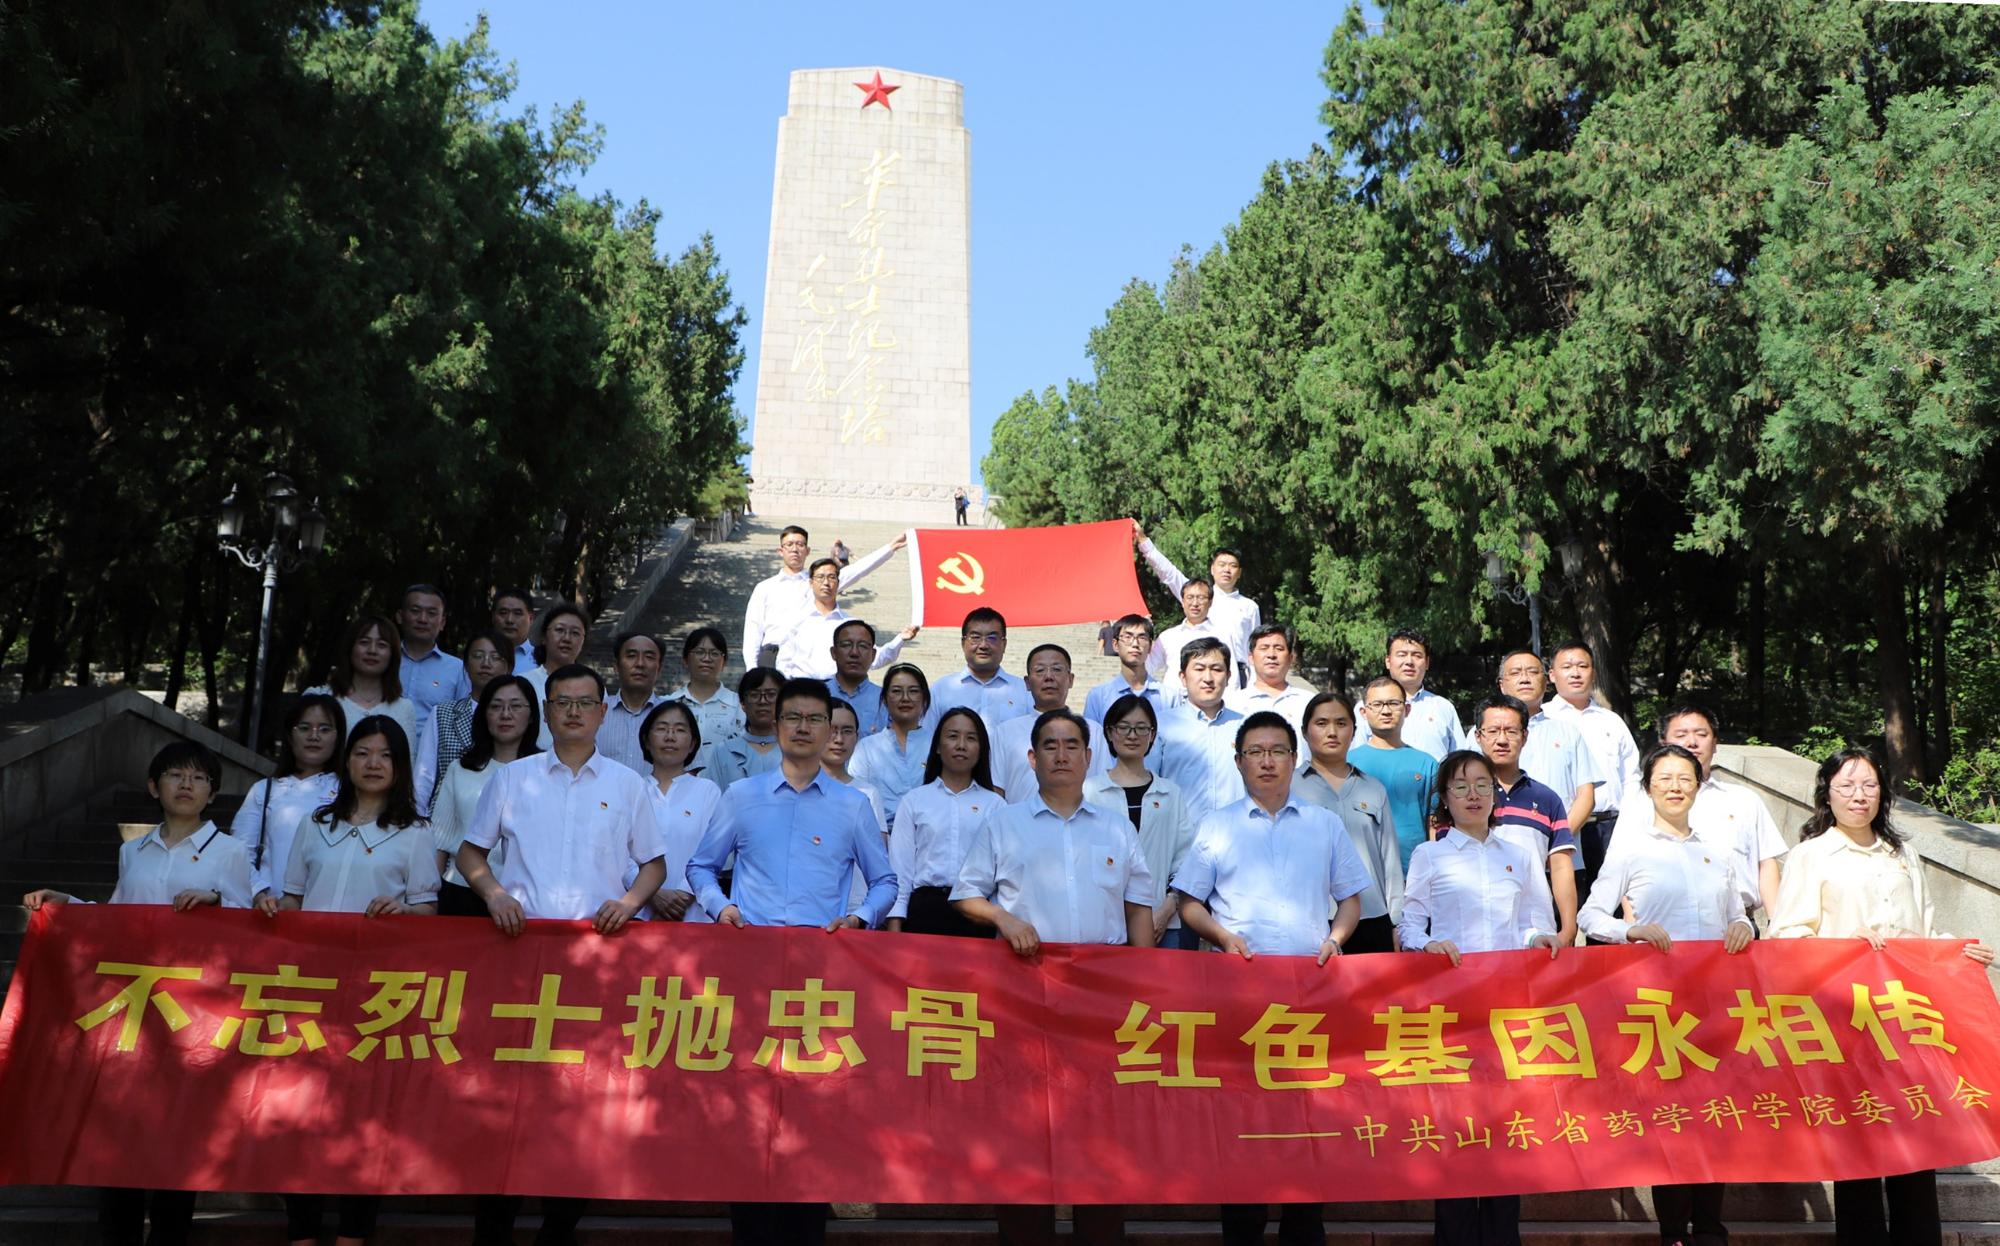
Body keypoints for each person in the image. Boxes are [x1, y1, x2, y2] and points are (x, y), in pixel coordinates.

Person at [457, 663, 666, 1246]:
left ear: (603, 712)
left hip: (597, 962)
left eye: (585, 702)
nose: (574, 712)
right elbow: (470, 853)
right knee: (509, 1099)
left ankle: (556, 1230)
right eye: (562, 702)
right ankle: (492, 1232)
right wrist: (494, 893)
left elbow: (653, 865)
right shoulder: (512, 778)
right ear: (547, 712)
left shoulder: (627, 784)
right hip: (520, 958)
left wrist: (629, 903)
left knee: (582, 1097)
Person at [684, 678, 896, 1246]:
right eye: (793, 717)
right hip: (751, 974)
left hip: (818, 982)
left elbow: (885, 881)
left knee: (812, 1113)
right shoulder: (741, 796)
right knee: (749, 1108)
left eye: (814, 719)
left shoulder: (853, 806)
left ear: (831, 731)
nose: (803, 727)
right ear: (775, 726)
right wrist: (721, 907)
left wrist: (860, 919)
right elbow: (701, 866)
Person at [23, 741, 253, 1246]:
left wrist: (216, 901)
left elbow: (254, 925)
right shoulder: (133, 850)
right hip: (137, 1013)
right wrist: (68, 904)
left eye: (198, 777)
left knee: (177, 1137)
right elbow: (118, 921)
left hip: (196, 1016)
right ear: (154, 786)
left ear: (213, 792)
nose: (186, 785)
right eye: (175, 775)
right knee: (120, 1133)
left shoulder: (232, 852)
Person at [1769, 746, 1996, 1246]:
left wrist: (1959, 950)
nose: (1859, 795)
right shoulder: (1811, 855)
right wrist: (1842, 947)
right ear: (1827, 794)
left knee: (1917, 1140)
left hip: (1906, 1020)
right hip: (1847, 1023)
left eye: (1869, 785)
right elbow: (1785, 936)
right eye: (1847, 786)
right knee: (1860, 1149)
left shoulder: (1902, 854)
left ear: (1883, 793)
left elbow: (1924, 930)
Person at [1172, 711, 1373, 1246]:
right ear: (1239, 761)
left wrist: (1335, 939)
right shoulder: (1218, 825)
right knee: (1241, 1117)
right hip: (1240, 994)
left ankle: (1303, 1230)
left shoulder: (1324, 824)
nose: (1266, 762)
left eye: (1277, 751)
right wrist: (1221, 936)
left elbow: (1350, 899)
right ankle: (1242, 1231)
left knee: (1309, 1115)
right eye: (1256, 752)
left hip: (1310, 994)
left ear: (1293, 758)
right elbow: (1190, 902)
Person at [951, 708, 1150, 1246]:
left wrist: (1145, 983)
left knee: (1101, 1133)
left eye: (1071, 745)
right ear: (1032, 757)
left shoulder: (1116, 826)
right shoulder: (1004, 823)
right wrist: (1003, 918)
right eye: (1050, 745)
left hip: (1101, 1002)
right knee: (1023, 1131)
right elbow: (965, 894)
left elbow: (1138, 908)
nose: (1062, 755)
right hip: (1023, 997)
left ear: (1089, 757)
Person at [271, 715, 438, 1246]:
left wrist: (403, 912)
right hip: (312, 987)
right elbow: (293, 898)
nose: (373, 763)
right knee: (301, 1110)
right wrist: (272, 909)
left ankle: (353, 1233)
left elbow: (428, 912)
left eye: (385, 755)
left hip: (376, 996)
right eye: (363, 752)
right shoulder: (315, 824)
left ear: (400, 767)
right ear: (346, 761)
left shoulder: (416, 833)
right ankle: (302, 1230)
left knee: (366, 1116)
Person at [1579, 743, 1753, 1246]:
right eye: (1665, 778)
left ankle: (1711, 1229)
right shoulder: (1631, 848)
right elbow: (1591, 915)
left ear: (1698, 786)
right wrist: (1628, 931)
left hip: (1715, 1005)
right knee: (1672, 1121)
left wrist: (1743, 927)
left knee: (1715, 1118)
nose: (1675, 787)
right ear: (1648, 787)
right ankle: (1674, 1231)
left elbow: (1737, 914)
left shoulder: (1719, 851)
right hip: (1658, 1008)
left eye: (1685, 778)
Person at [1398, 749, 1563, 1246]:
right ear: (1445, 798)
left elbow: (1535, 921)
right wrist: (1426, 944)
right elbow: (1409, 924)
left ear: (1496, 794)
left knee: (1505, 1129)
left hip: (1508, 1013)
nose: (1472, 795)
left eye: (1482, 785)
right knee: (1454, 1129)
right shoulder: (1430, 855)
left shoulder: (1520, 852)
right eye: (1460, 786)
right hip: (1451, 1012)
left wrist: (1541, 939)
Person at [1610, 704, 1787, 923]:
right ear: (1663, 743)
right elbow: (1621, 865)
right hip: (1661, 926)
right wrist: (1634, 925)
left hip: (1738, 927)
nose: (1692, 742)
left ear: (1715, 743)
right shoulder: (1640, 800)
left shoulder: (1744, 800)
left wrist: (1776, 925)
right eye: (1681, 735)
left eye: (1701, 734)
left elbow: (1766, 864)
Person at [1293, 690, 1404, 954]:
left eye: (1341, 723)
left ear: (1353, 731)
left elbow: (1389, 861)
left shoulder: (1373, 788)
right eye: (1321, 723)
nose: (1332, 732)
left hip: (1372, 916)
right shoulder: (1288, 789)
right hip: (1311, 917)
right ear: (1305, 732)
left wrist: (1397, 921)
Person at [1085, 693, 1193, 949]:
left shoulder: (1170, 793)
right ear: (1109, 732)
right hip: (1104, 924)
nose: (1132, 735)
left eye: (1141, 728)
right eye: (1123, 727)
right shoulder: (1089, 792)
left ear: (1152, 735)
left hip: (1162, 922)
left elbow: (1185, 857)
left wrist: (1168, 907)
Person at [1539, 642, 1640, 909]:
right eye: (1567, 667)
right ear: (1552, 675)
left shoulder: (1611, 721)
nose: (1575, 673)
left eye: (1583, 666)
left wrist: (1628, 823)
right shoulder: (1542, 719)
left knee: (1612, 910)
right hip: (1563, 828)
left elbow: (1631, 776)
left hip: (1609, 828)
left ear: (1593, 673)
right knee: (1565, 909)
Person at [429, 676, 540, 917]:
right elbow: (439, 843)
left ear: (532, 715)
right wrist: (429, 899)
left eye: (516, 706)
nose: (505, 714)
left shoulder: (545, 772)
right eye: (496, 706)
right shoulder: (460, 769)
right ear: (483, 714)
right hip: (461, 891)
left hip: (525, 897)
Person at [1473, 695, 1579, 946]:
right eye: (1493, 731)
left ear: (1525, 736)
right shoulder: (1464, 797)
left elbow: (1561, 866)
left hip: (1537, 927)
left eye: (1511, 731)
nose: (1502, 740)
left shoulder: (1546, 798)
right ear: (1478, 736)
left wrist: (1568, 928)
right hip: (1476, 928)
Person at [885, 706, 1000, 936]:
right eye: (952, 736)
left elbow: (1001, 876)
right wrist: (895, 924)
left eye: (971, 738)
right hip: (925, 913)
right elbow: (901, 871)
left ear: (981, 749)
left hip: (978, 915)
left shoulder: (996, 805)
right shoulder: (914, 801)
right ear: (937, 746)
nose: (961, 745)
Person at [233, 693, 345, 907]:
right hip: (271, 909)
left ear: (338, 737)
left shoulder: (348, 792)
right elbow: (240, 852)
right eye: (304, 728)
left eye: (324, 729)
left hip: (329, 910)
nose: (314, 736)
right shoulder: (264, 790)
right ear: (290, 735)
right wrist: (259, 894)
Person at [741, 525, 901, 669]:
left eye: (800, 544)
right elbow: (753, 630)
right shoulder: (765, 588)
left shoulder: (817, 582)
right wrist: (751, 669)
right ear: (781, 551)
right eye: (789, 544)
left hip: (805, 660)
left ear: (807, 551)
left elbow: (857, 570)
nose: (795, 549)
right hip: (771, 657)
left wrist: (891, 547)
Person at [1496, 648, 1604, 836]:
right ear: (1502, 685)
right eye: (1515, 673)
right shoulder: (1482, 733)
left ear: (1546, 682)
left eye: (1532, 672)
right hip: (1500, 846)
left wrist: (1559, 839)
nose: (1525, 679)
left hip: (1561, 847)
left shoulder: (1568, 732)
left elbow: (1586, 797)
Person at [1135, 526, 1261, 686]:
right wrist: (1143, 541)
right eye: (1222, 564)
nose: (1227, 570)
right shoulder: (1198, 594)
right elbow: (1169, 573)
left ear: (1239, 572)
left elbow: (1254, 648)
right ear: (1212, 569)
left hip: (1237, 675)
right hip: (1198, 670)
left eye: (1232, 565)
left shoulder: (1250, 607)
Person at [989, 644, 1112, 804]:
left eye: (1057, 669)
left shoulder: (1093, 731)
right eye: (1040, 670)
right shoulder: (1005, 732)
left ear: (1070, 679)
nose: (1049, 677)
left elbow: (1102, 788)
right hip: (1019, 819)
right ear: (1027, 682)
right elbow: (997, 791)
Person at [636, 699, 721, 925]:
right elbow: (621, 854)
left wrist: (682, 895)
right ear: (646, 739)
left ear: (693, 744)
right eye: (661, 728)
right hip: (639, 913)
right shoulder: (632, 789)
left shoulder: (707, 791)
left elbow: (712, 851)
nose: (670, 737)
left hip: (693, 913)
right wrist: (652, 893)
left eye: (680, 730)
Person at [412, 630, 514, 815]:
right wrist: (418, 821)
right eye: (478, 656)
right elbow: (424, 777)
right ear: (465, 665)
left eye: (495, 657)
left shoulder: (519, 716)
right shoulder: (442, 714)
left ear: (508, 667)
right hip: (446, 819)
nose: (486, 663)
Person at [1349, 675, 1441, 872]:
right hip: (1360, 873)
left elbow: (1433, 823)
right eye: (1377, 704)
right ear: (1364, 712)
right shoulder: (1348, 763)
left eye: (1393, 703)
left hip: (1414, 872)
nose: (1386, 710)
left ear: (1407, 709)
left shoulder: (1427, 763)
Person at [1155, 638, 1248, 829]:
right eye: (1199, 669)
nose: (1208, 678)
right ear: (1183, 677)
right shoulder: (1161, 726)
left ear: (1228, 676)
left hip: (1235, 835)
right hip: (1179, 837)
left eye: (1216, 669)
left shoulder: (1246, 727)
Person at [772, 557, 914, 680]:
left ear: (838, 583)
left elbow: (873, 658)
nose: (826, 583)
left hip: (838, 692)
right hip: (802, 689)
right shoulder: (795, 619)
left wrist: (900, 639)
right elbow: (784, 661)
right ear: (811, 583)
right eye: (820, 577)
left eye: (831, 577)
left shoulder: (849, 625)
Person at [307, 613, 419, 744]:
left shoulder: (404, 709)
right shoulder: (319, 698)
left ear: (392, 654)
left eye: (381, 645)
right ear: (350, 648)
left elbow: (406, 756)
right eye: (364, 642)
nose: (372, 651)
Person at [1352, 629, 1464, 760]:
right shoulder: (1369, 706)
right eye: (1402, 655)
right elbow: (1356, 758)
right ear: (1388, 661)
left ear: (1427, 663)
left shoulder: (1443, 707)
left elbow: (1461, 760)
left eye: (1417, 655)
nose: (1409, 662)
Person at [850, 663, 936, 822]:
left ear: (924, 698)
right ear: (884, 699)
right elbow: (857, 799)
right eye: (896, 691)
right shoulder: (866, 748)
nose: (905, 698)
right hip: (878, 832)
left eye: (913, 691)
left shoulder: (937, 746)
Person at [926, 606, 1031, 728]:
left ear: (1004, 644)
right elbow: (928, 734)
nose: (983, 645)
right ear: (963, 643)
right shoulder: (941, 689)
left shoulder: (1023, 691)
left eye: (992, 638)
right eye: (975, 637)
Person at [396, 582, 470, 731]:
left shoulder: (457, 669)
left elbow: (463, 721)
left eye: (431, 613)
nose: (422, 619)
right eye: (415, 611)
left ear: (442, 622)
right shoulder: (384, 660)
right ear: (400, 616)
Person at [1223, 622, 1312, 737]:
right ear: (1251, 658)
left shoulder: (1308, 702)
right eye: (1264, 648)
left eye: (1279, 648)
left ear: (1290, 658)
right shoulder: (1231, 704)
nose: (1271, 655)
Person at [596, 629, 665, 774]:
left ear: (659, 669)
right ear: (616, 667)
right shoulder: (595, 713)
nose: (640, 664)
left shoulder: (674, 715)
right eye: (631, 656)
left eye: (649, 657)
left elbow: (688, 772)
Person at [705, 667, 785, 788]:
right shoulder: (724, 751)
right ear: (743, 703)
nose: (763, 701)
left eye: (771, 694)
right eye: (754, 695)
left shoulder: (796, 749)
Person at [1146, 578, 1223, 703]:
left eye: (1201, 598)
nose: (1195, 603)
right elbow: (1148, 668)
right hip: (1172, 704)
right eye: (1190, 597)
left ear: (1210, 602)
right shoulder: (1168, 636)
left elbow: (1232, 677)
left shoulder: (1222, 635)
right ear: (1182, 601)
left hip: (1209, 703)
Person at [1082, 614, 1166, 726]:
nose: (1135, 644)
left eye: (1142, 638)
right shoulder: (1098, 697)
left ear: (1150, 646)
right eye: (1127, 637)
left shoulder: (1169, 697)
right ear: (1115, 645)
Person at [668, 627, 746, 745]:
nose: (707, 659)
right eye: (700, 652)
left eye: (714, 653)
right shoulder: (669, 704)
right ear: (685, 660)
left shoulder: (739, 706)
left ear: (724, 662)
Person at [825, 619, 893, 736]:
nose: (854, 653)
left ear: (873, 655)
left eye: (863, 646)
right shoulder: (816, 696)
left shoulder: (886, 701)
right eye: (846, 645)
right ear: (833, 652)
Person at [523, 603, 589, 711]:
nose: (566, 638)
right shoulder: (526, 682)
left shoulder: (593, 686)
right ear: (544, 637)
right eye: (559, 630)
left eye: (575, 633)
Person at [490, 586, 539, 675]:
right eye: (503, 613)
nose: (509, 620)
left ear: (531, 619)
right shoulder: (476, 659)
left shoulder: (541, 661)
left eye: (517, 613)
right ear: (493, 617)